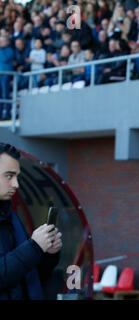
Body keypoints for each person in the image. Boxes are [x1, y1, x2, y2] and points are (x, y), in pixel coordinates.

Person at [0, 143, 62, 300]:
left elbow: (32, 276)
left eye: (17, 177)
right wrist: (34, 247)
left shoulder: (11, 216)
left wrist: (47, 253)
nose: (16, 184)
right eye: (9, 176)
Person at [0, 35, 14, 120]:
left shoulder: (10, 50)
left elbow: (4, 59)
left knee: (5, 94)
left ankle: (7, 113)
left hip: (5, 75)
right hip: (0, 74)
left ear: (7, 42)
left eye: (2, 41)